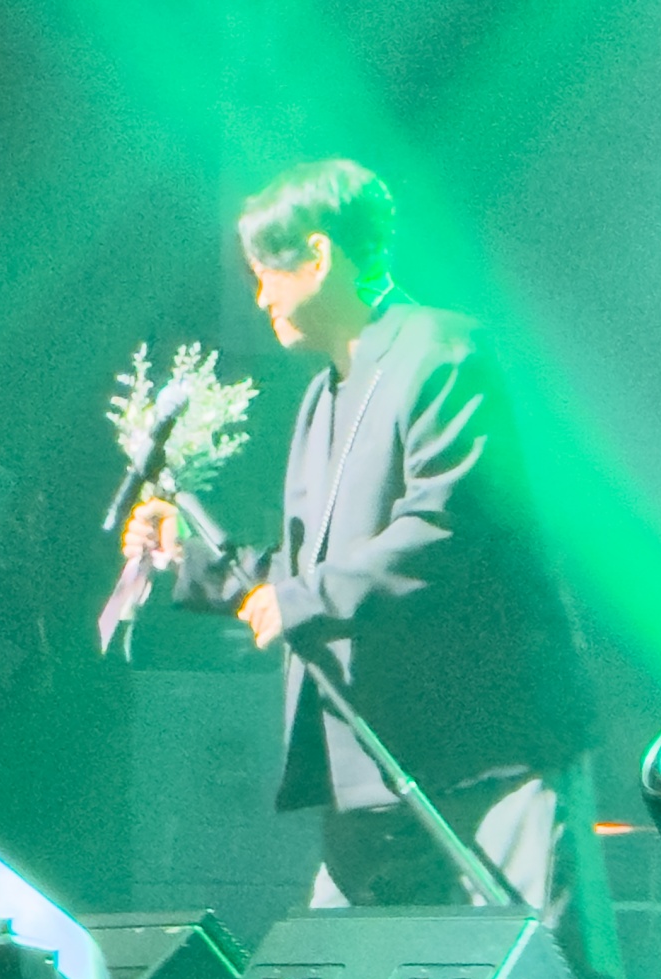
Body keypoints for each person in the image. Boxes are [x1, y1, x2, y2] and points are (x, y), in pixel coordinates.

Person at [123, 158, 597, 913]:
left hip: (490, 756)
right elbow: (305, 570)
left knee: (537, 971)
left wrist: (303, 598)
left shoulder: (445, 353)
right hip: (374, 761)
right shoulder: (323, 396)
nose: (260, 296)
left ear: (318, 254)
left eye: (266, 273)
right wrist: (192, 556)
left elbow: (446, 531)